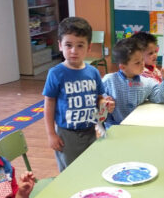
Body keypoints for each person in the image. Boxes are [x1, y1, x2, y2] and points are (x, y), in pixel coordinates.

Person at [43, 17, 115, 172]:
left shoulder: (93, 72)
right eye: (68, 45)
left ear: (88, 47)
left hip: (90, 130)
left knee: (90, 168)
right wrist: (51, 134)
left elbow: (99, 98)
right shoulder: (56, 73)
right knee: (70, 172)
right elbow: (49, 103)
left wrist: (105, 103)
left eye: (80, 45)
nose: (74, 51)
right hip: (66, 134)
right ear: (60, 45)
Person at [102, 37, 164, 128]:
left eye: (142, 60)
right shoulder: (109, 80)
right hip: (114, 128)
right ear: (123, 67)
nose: (142, 64)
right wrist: (104, 100)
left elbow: (162, 97)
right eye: (137, 62)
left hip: (138, 127)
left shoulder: (146, 82)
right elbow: (96, 97)